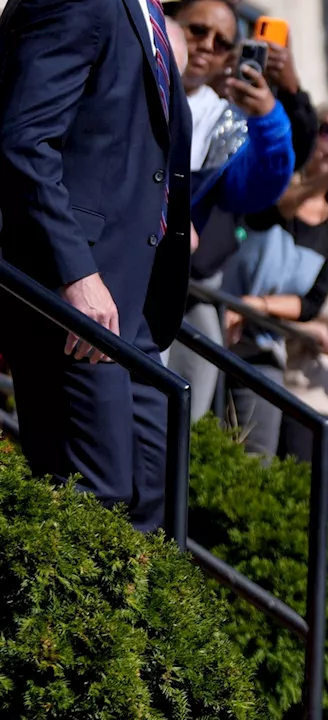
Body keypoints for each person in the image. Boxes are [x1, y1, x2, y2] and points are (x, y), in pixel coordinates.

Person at [0, 0, 192, 532]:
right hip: (77, 306)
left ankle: (135, 621)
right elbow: (24, 141)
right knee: (93, 502)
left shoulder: (145, 11)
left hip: (137, 309)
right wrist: (75, 273)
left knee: (153, 498)